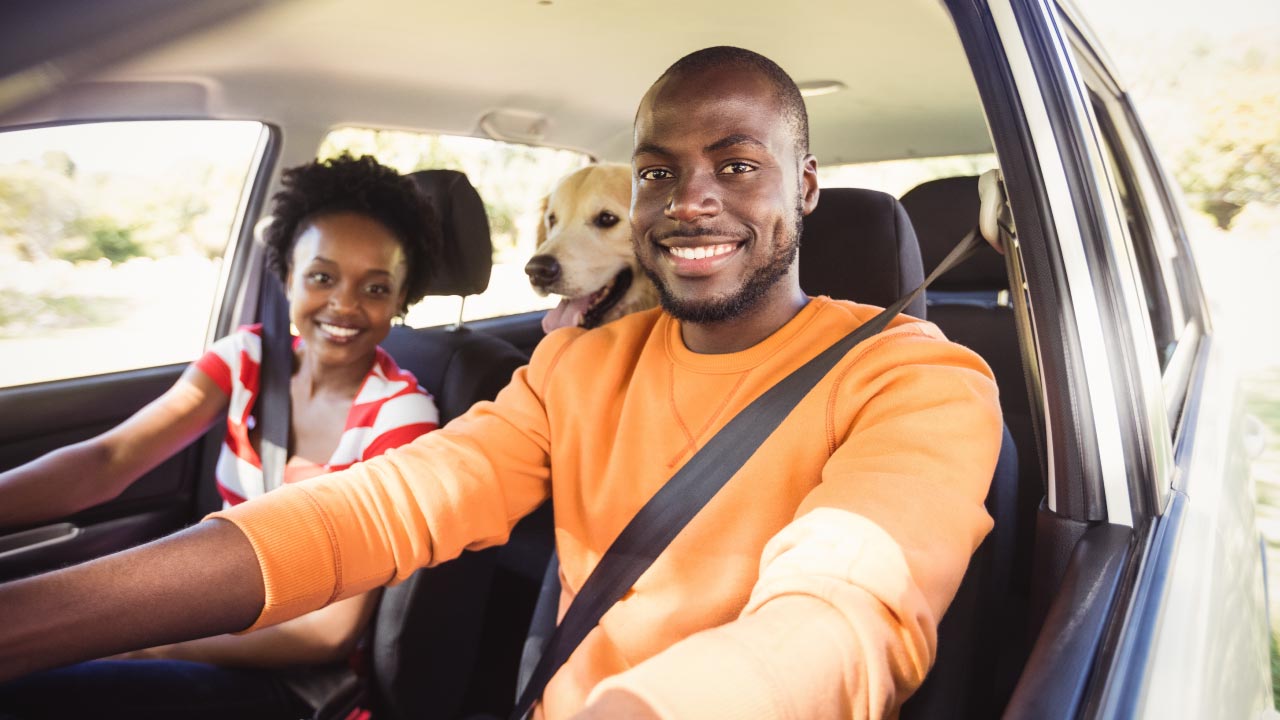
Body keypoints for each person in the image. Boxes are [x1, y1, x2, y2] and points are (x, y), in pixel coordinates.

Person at [0, 48, 1001, 719]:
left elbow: (838, 616)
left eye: (736, 165)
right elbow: (383, 509)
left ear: (806, 187)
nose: (689, 198)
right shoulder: (576, 365)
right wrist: (29, 624)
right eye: (656, 172)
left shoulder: (918, 379)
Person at [0, 154, 442, 719]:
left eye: (375, 288)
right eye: (322, 277)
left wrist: (150, 643)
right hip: (209, 622)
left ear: (401, 300)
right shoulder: (246, 359)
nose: (345, 305)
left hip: (291, 677)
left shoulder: (402, 418)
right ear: (286, 275)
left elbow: (328, 631)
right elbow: (107, 460)